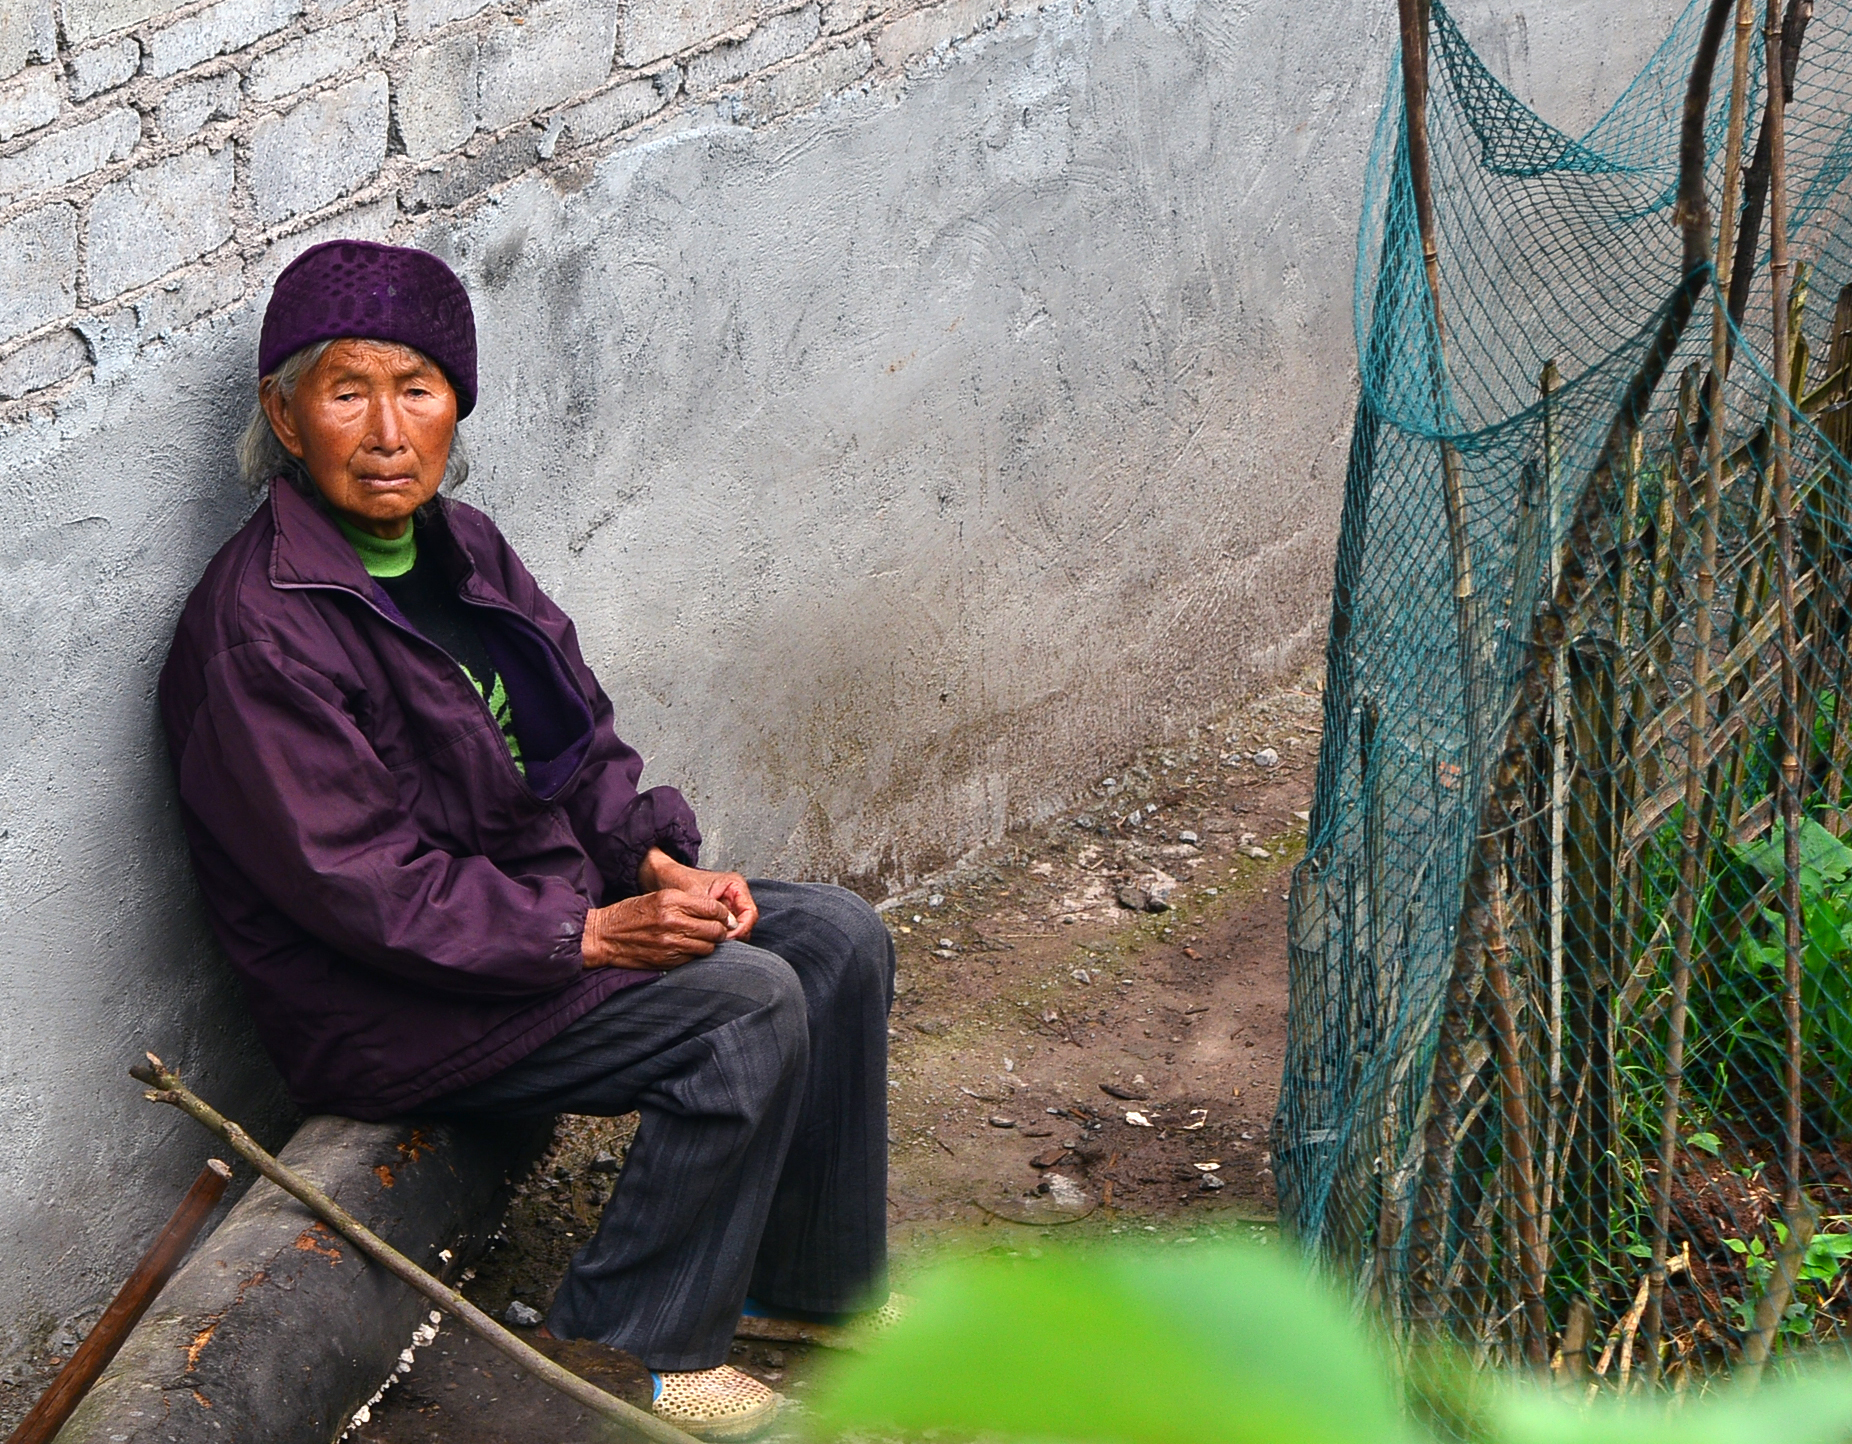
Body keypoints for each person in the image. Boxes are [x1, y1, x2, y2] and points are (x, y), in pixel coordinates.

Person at [157, 240, 896, 1441]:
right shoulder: (261, 634)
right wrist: (592, 933)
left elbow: (573, 748)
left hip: (523, 920)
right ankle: (623, 1348)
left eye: (418, 390)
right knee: (745, 1006)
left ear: (459, 408)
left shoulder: (465, 550)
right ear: (285, 420)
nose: (388, 430)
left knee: (832, 938)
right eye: (348, 392)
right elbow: (370, 893)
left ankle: (806, 1288)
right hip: (385, 1004)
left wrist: (656, 862)